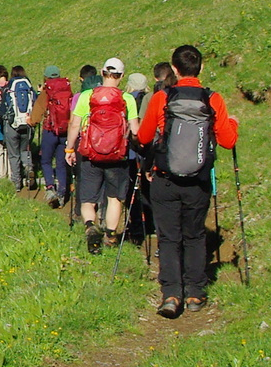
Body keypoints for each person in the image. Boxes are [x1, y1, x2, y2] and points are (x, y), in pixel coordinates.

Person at [135, 44, 238, 317]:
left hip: (165, 179)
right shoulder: (213, 99)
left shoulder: (162, 98)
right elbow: (228, 140)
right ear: (201, 68)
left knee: (168, 238)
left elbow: (144, 138)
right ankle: (195, 293)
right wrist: (234, 124)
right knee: (194, 236)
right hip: (198, 180)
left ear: (175, 70)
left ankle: (171, 294)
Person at [67, 58, 140, 254]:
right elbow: (135, 131)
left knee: (89, 200)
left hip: (90, 155)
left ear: (102, 72)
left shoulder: (87, 96)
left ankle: (91, 226)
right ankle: (110, 235)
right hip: (118, 156)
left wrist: (69, 149)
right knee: (115, 198)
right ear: (121, 76)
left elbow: (75, 124)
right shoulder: (128, 99)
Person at [39, 65, 75, 210]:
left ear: (46, 77)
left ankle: (50, 188)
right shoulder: (67, 90)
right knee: (61, 164)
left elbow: (37, 113)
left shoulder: (46, 91)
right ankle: (62, 193)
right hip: (65, 131)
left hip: (50, 130)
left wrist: (31, 121)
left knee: (46, 161)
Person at [5, 64, 37, 192]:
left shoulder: (10, 87)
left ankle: (16, 183)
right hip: (27, 123)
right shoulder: (28, 86)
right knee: (25, 150)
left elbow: (5, 106)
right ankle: (29, 168)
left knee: (14, 155)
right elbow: (36, 101)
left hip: (13, 125)